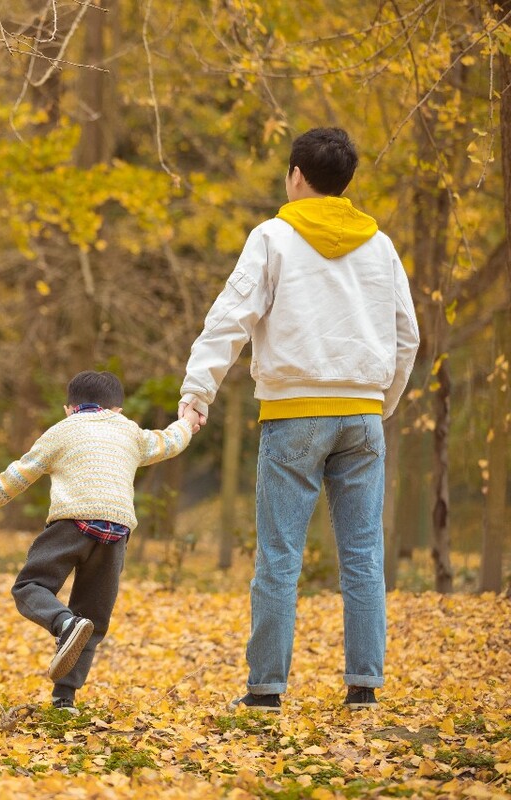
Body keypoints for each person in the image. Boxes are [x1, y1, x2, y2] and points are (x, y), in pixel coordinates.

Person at [178, 127, 420, 713]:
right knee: (363, 554)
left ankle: (266, 690)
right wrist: (379, 404)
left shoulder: (273, 236)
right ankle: (364, 686)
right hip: (362, 415)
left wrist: (197, 392)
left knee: (280, 556)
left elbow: (231, 318)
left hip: (293, 416)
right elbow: (407, 335)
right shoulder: (381, 245)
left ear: (295, 175)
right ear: (346, 183)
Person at [0, 370, 194, 714]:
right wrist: (188, 421)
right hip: (116, 530)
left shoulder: (61, 432)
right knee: (93, 617)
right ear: (117, 410)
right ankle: (65, 700)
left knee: (30, 586)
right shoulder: (130, 431)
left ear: (68, 409)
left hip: (72, 522)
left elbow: (13, 479)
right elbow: (169, 442)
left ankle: (63, 623)